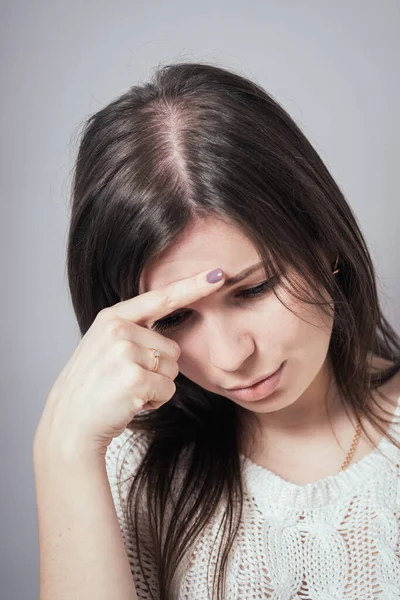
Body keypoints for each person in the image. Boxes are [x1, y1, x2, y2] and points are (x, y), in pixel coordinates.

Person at [33, 61, 400, 600]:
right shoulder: (125, 470)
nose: (231, 357)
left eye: (253, 290)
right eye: (176, 317)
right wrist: (60, 451)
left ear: (325, 244)